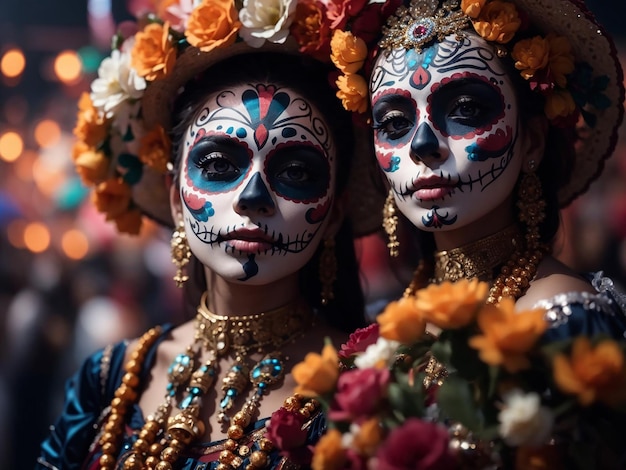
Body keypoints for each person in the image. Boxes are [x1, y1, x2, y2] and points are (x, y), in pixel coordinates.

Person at [35, 1, 385, 467]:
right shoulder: (112, 378)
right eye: (219, 165)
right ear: (176, 197)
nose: (253, 195)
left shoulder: (367, 388)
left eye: (296, 171)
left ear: (335, 212)